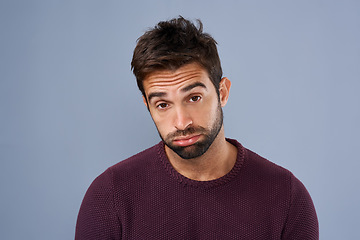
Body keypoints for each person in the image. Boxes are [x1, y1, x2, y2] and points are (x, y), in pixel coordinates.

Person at [75, 16, 318, 239]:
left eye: (194, 98)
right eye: (162, 104)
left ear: (222, 92)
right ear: (147, 106)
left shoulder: (287, 197)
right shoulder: (108, 197)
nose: (181, 123)